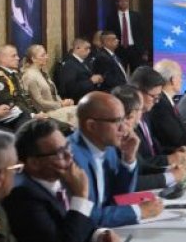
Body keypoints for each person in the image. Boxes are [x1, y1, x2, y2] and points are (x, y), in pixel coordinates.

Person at [4, 118, 122, 242]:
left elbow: (69, 224)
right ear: (34, 163)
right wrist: (81, 196)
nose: (69, 156)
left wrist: (97, 234)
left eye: (68, 147)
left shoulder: (59, 176)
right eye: (60, 152)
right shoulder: (22, 196)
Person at [68, 92, 162, 228]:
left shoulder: (108, 148)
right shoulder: (69, 157)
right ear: (91, 125)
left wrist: (128, 159)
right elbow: (84, 216)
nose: (124, 128)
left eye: (123, 119)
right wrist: (137, 211)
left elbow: (119, 197)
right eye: (116, 121)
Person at [20, 44, 77, 128]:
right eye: (43, 55)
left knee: (80, 109)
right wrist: (60, 105)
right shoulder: (30, 76)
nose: (47, 57)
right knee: (77, 112)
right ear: (33, 59)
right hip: (45, 113)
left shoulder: (43, 71)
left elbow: (55, 94)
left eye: (46, 54)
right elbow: (39, 102)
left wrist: (64, 102)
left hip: (56, 108)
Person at [0, 45, 43, 126]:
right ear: (2, 59)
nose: (18, 58)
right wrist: (32, 115)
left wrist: (34, 113)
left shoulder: (13, 74)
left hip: (24, 115)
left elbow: (22, 98)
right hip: (12, 119)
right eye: (14, 56)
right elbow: (10, 104)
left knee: (59, 125)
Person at [106, 0, 147, 72]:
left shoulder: (136, 16)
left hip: (135, 49)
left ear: (128, 2)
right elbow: (109, 34)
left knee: (136, 74)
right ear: (117, 2)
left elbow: (143, 34)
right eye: (121, 1)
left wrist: (144, 51)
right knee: (120, 73)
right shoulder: (111, 18)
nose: (123, 3)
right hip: (119, 49)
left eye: (125, 0)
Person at [56, 37, 104, 101]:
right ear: (77, 48)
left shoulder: (85, 61)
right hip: (79, 100)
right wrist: (91, 81)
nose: (89, 51)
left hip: (90, 96)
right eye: (86, 48)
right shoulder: (69, 65)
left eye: (89, 48)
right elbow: (70, 89)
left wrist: (97, 80)